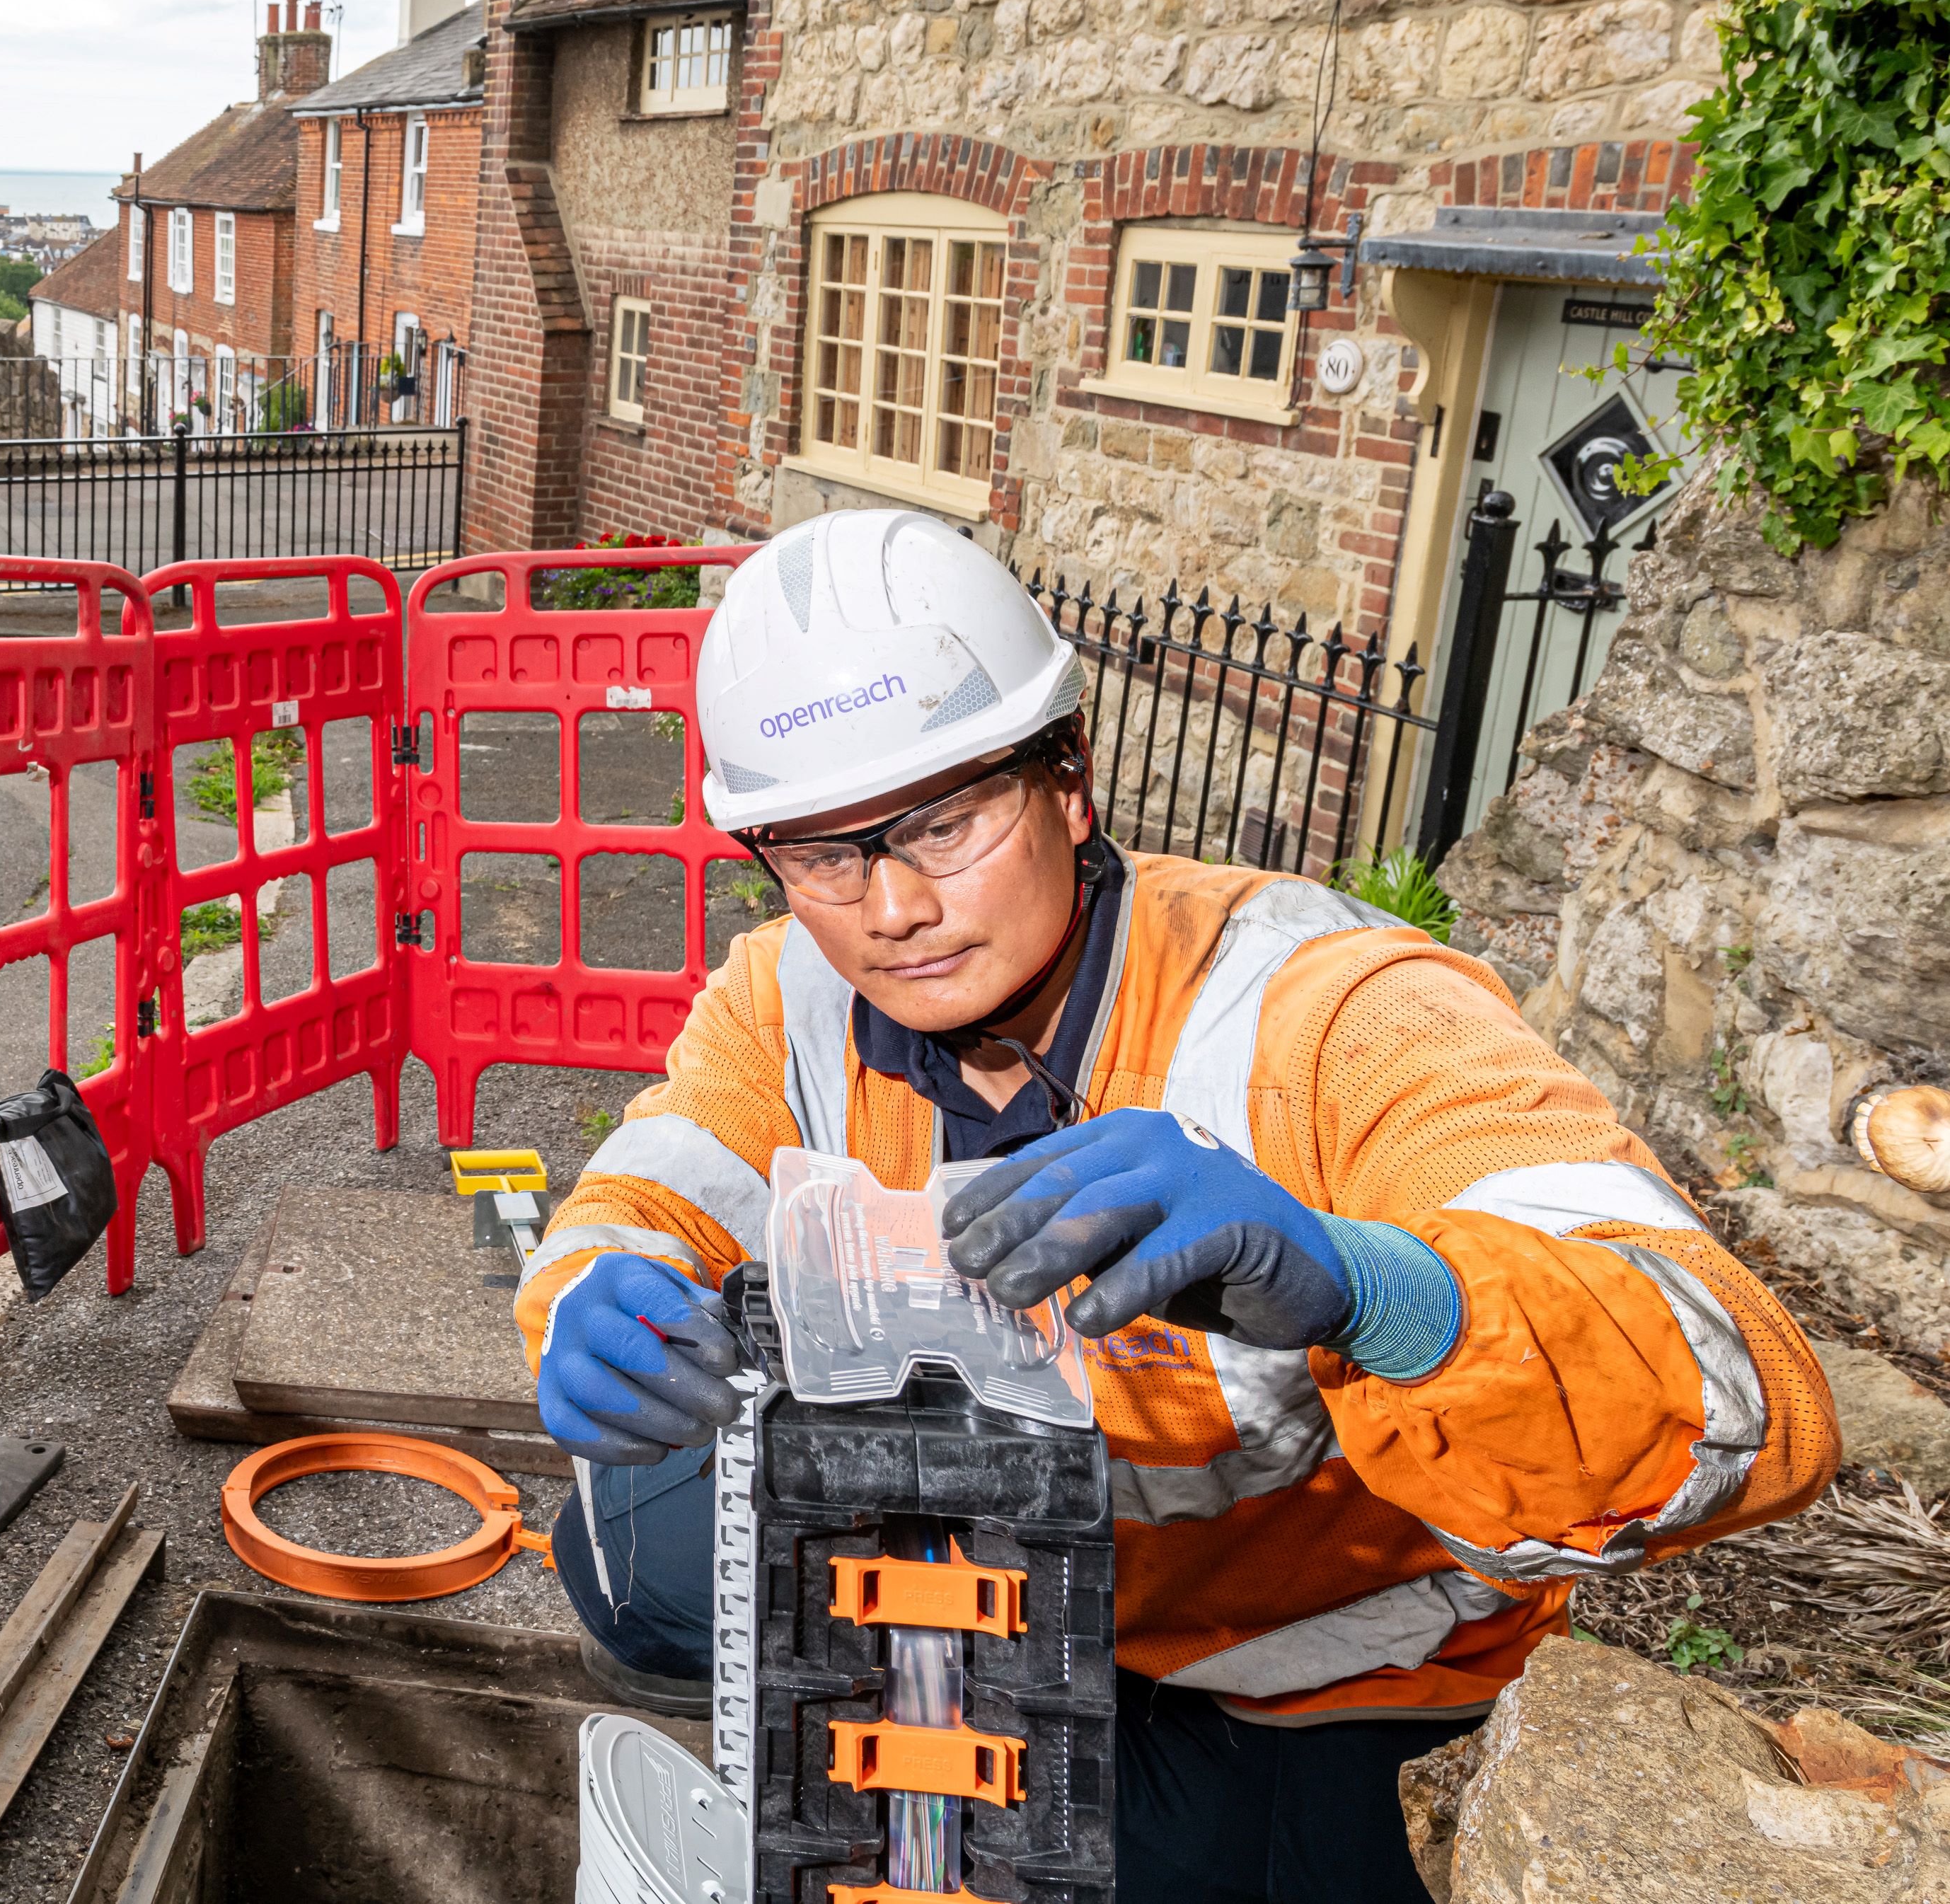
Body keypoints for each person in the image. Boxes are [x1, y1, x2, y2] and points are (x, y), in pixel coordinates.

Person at [520, 507, 1835, 1904]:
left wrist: (1376, 1289)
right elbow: (650, 1190)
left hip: (1320, 1675)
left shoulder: (1329, 1007)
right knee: (629, 1547)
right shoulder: (789, 991)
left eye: (944, 822)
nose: (889, 905)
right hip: (1013, 1611)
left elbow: (1751, 1394)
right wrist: (593, 1283)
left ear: (1069, 778)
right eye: (822, 852)